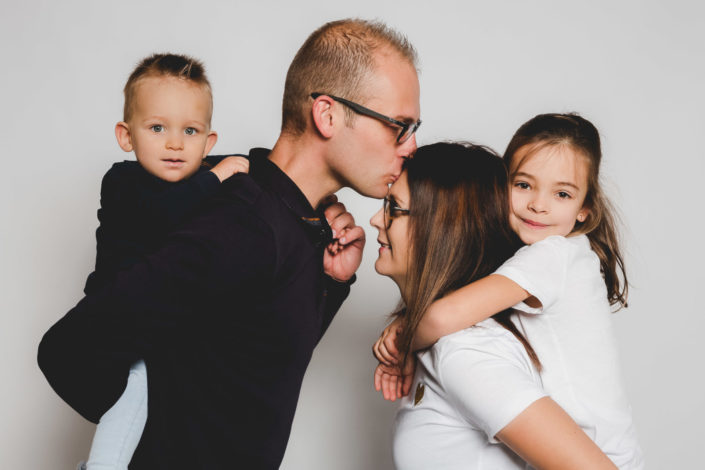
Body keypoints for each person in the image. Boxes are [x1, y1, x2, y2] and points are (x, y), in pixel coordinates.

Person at [38, 19, 420, 469]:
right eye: (400, 125)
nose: (411, 146)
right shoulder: (243, 220)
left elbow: (257, 367)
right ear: (328, 115)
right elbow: (69, 349)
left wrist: (332, 283)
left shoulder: (296, 219)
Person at [374, 115, 643, 468]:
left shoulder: (554, 255)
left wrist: (404, 339)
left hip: (606, 454)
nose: (538, 205)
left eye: (562, 193)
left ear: (585, 210)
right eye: (523, 185)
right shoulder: (533, 266)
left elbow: (442, 317)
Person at [79, 53, 249, 470]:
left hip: (164, 336)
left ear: (208, 143)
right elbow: (166, 212)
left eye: (190, 131)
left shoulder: (205, 187)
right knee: (129, 404)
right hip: (118, 330)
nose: (175, 143)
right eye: (157, 128)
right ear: (126, 136)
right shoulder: (122, 182)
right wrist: (216, 175)